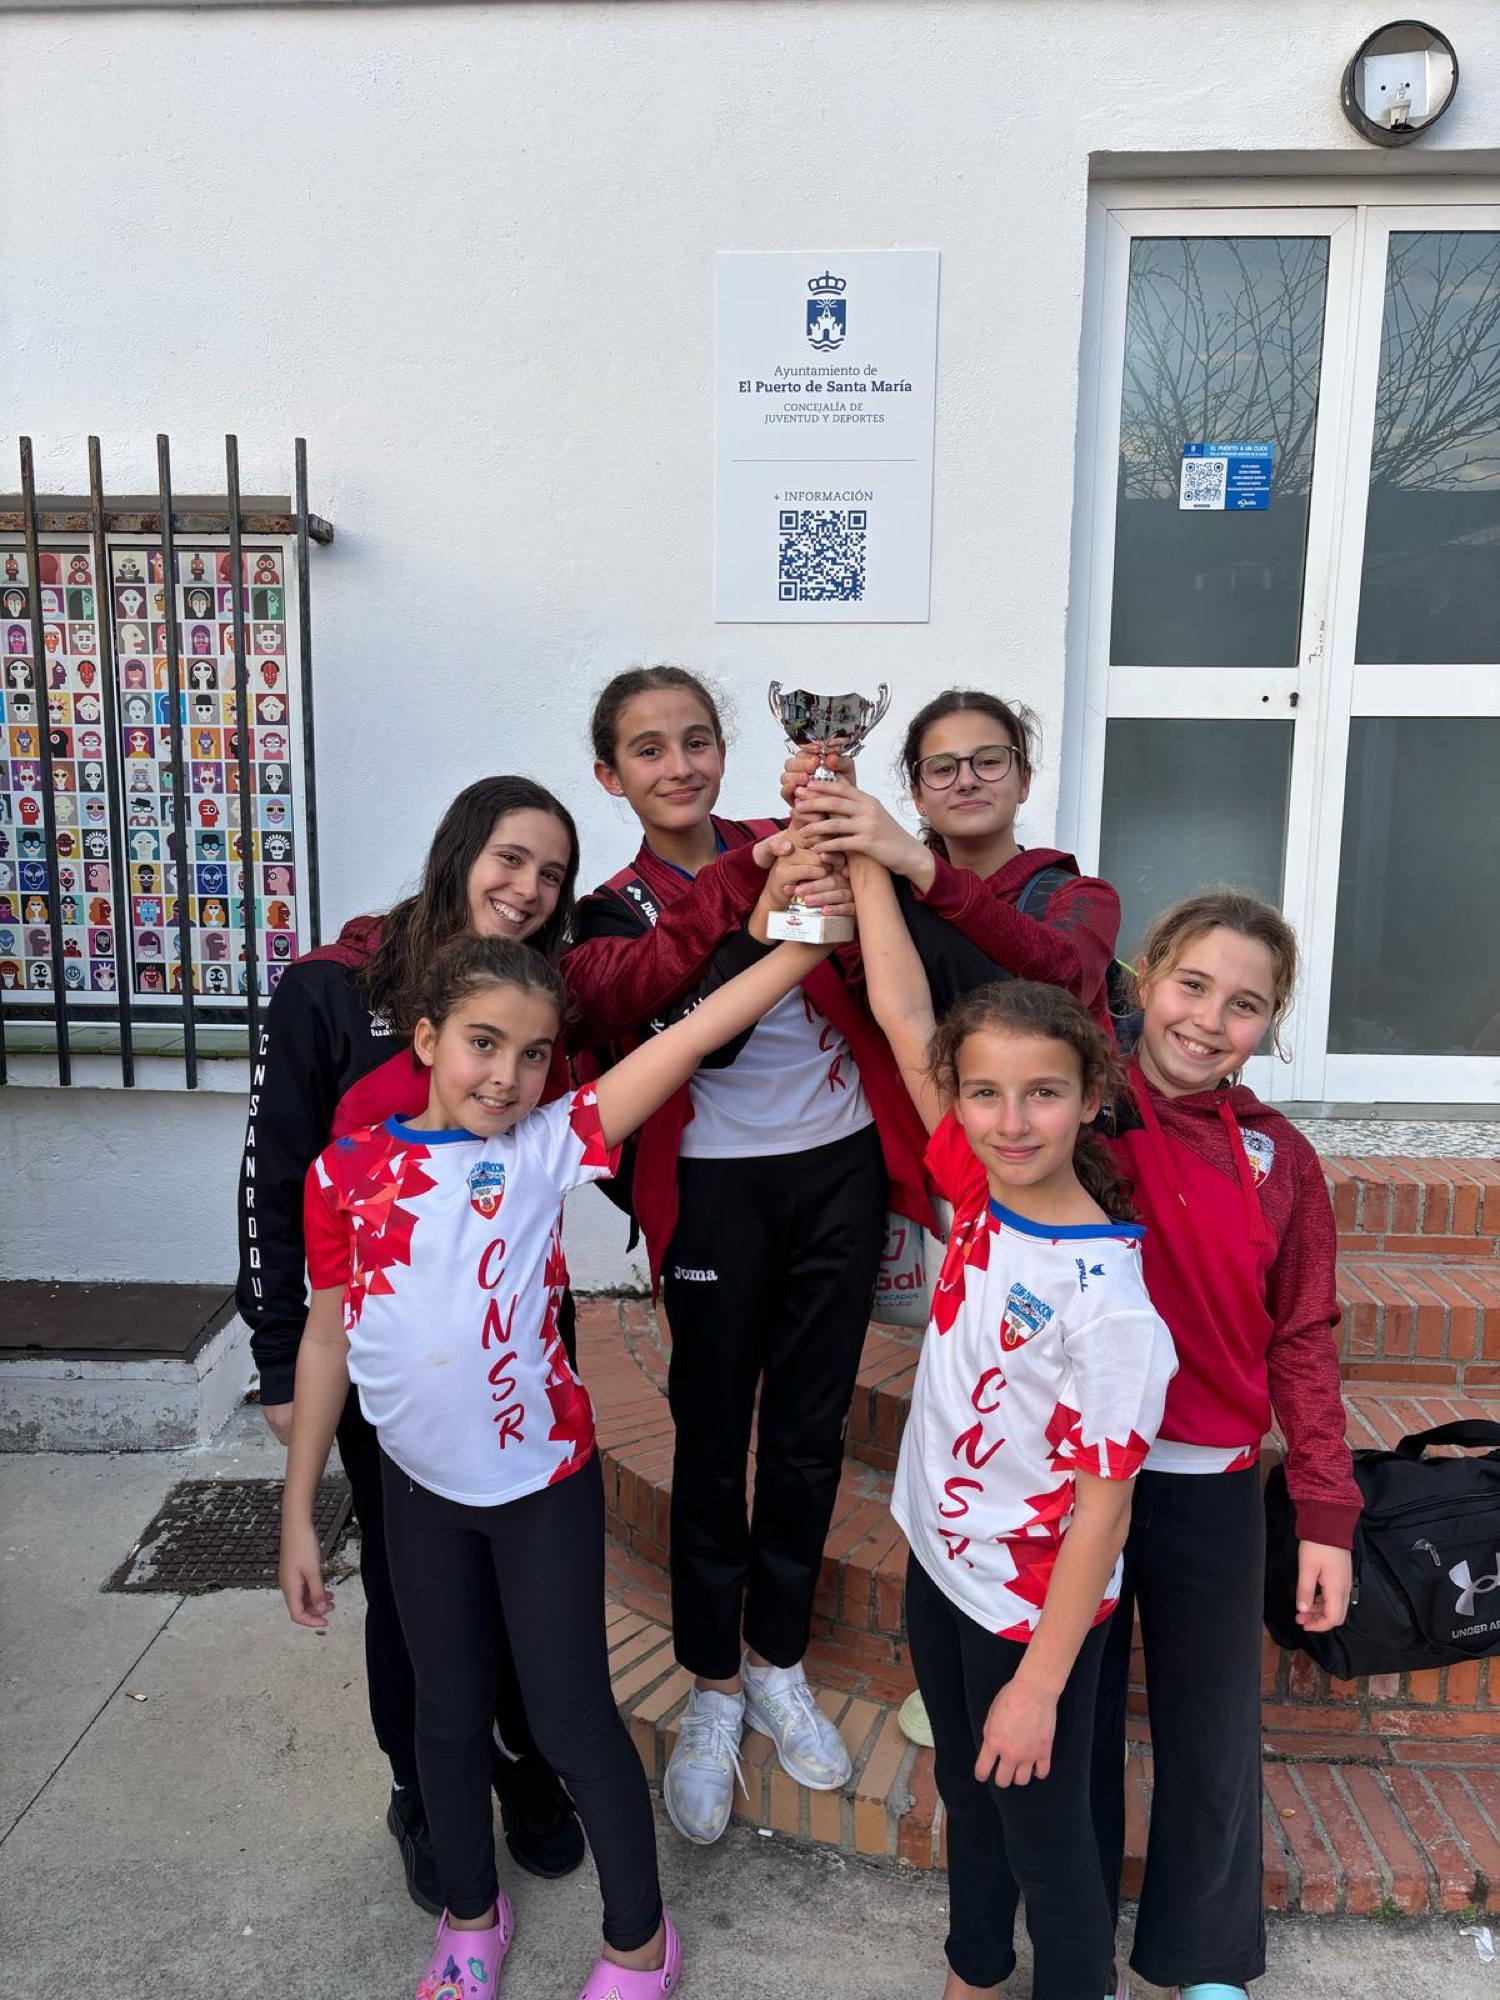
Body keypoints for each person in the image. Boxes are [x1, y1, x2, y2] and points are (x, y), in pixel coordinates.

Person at [281, 921, 839, 2000]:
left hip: (541, 1488)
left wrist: (807, 948)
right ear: (428, 1039)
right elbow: (326, 1338)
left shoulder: (546, 1146)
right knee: (446, 1716)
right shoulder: (344, 1172)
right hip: (417, 1493)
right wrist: (301, 1508)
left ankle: (639, 1941)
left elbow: (688, 1040)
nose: (507, 1075)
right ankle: (469, 1916)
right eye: (483, 1043)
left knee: (573, 1717)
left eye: (534, 1053)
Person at [564, 664, 932, 1847]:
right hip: (715, 1191)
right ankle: (712, 1685)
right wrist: (757, 898)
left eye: (697, 739)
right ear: (610, 773)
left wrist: (838, 824)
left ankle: (777, 1660)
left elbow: (885, 963)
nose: (679, 764)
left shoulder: (791, 841)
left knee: (813, 1431)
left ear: (727, 750)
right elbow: (672, 1018)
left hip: (839, 1170)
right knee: (716, 1440)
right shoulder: (610, 910)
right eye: (649, 748)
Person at [235, 776, 586, 1912]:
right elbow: (275, 1182)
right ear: (459, 851)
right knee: (412, 1593)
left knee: (523, 1579)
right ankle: (426, 1791)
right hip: (385, 1363)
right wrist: (277, 1355)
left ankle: (525, 1764)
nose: (528, 889)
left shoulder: (540, 1001)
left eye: (552, 874)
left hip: (519, 1349)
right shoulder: (335, 989)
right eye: (511, 858)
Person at [849, 849, 1175, 2000]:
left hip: (1028, 1608)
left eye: (1042, 1092)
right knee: (969, 1790)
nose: (1008, 1118)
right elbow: (902, 1011)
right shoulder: (979, 1189)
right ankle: (976, 1970)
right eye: (982, 1092)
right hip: (942, 1562)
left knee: (1048, 1840)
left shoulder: (1111, 1304)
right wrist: (864, 852)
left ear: (1091, 1097)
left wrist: (1039, 1682)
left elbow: (1105, 1512)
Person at [1092, 890, 1359, 2000]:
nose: (1208, 1019)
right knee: (1072, 1730)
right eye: (1192, 984)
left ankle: (1204, 1962)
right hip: (1074, 1485)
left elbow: (1303, 1335)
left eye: (1244, 1004)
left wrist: (1327, 1514)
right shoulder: (1077, 1105)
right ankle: (1075, 1946)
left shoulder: (1278, 1157)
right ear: (1145, 976)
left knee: (1211, 1736)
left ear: (1271, 1023)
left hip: (1209, 1488)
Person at [786, 688, 1121, 1028]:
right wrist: (826, 809)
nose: (966, 781)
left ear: (1024, 781)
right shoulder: (896, 899)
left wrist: (923, 865)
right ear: (918, 796)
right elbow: (868, 1014)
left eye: (989, 761)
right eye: (943, 769)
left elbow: (1066, 979)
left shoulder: (1086, 896)